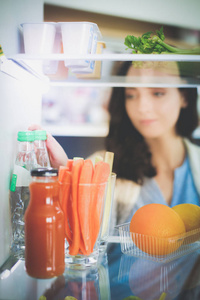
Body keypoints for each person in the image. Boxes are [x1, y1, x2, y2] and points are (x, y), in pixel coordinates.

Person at [29, 60, 200, 227]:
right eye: (131, 95)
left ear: (184, 96)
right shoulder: (101, 166)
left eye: (157, 93)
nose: (142, 107)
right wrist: (67, 179)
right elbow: (79, 235)